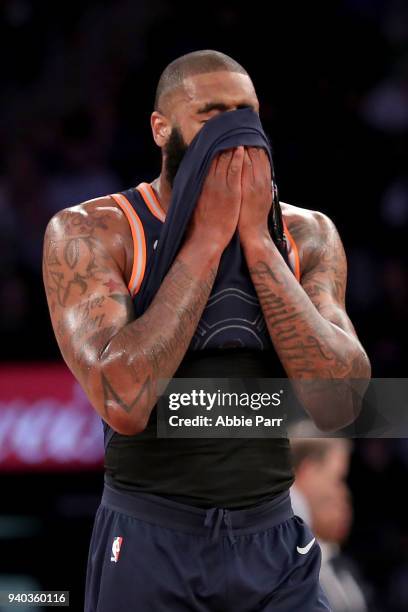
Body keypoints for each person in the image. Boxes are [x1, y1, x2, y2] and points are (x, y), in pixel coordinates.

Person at [42, 50, 371, 611]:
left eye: (247, 112)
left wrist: (258, 246)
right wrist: (207, 240)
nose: (236, 132)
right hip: (152, 534)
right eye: (212, 114)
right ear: (161, 128)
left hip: (273, 538)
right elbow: (123, 400)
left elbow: (340, 402)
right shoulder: (94, 231)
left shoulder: (305, 234)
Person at [290, 429, 372, 612]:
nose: (343, 493)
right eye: (338, 479)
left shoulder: (315, 546)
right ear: (309, 470)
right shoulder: (283, 541)